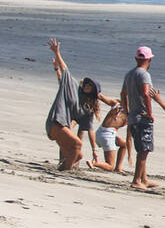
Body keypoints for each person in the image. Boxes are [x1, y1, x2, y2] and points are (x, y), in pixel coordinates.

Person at [44, 38, 113, 170]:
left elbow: (89, 130)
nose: (87, 85)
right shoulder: (75, 87)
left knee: (78, 155)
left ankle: (62, 168)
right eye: (87, 83)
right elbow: (65, 71)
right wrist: (57, 53)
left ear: (94, 92)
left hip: (63, 127)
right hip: (55, 122)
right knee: (76, 144)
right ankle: (66, 172)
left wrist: (94, 150)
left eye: (91, 86)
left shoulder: (87, 109)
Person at [120, 46, 157, 190]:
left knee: (142, 148)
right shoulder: (144, 74)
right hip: (142, 116)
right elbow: (146, 94)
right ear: (149, 59)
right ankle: (136, 180)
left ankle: (144, 178)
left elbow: (123, 94)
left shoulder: (129, 74)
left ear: (136, 58)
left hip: (133, 116)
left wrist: (127, 111)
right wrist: (149, 113)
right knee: (144, 150)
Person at [89, 103, 131, 174]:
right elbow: (129, 137)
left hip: (99, 133)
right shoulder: (131, 116)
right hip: (107, 137)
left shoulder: (117, 105)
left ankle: (118, 168)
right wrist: (129, 155)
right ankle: (93, 163)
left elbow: (101, 97)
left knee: (124, 144)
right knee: (110, 166)